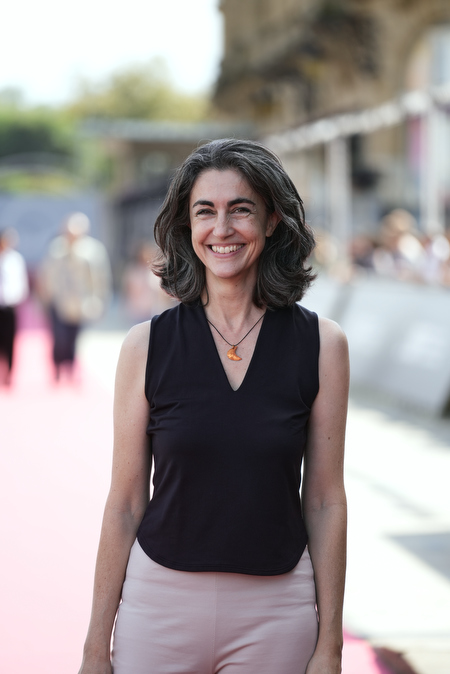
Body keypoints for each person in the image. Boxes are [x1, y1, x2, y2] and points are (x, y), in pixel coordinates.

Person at [78, 139, 349, 674]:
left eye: (240, 209)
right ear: (187, 225)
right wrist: (94, 649)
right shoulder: (145, 346)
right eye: (205, 211)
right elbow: (125, 502)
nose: (221, 229)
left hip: (277, 611)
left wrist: (330, 645)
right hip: (158, 607)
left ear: (272, 220)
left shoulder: (323, 345)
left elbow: (324, 501)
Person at [39, 212, 112, 380]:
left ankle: (70, 368)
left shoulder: (93, 250)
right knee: (59, 337)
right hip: (58, 302)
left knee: (74, 337)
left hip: (81, 303)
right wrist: (44, 299)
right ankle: (57, 366)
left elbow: (101, 277)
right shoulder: (56, 249)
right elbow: (46, 275)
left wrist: (100, 299)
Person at [0, 227, 29, 386]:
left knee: (9, 339)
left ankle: (9, 372)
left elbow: (20, 282)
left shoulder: (15, 259)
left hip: (10, 305)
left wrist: (19, 298)